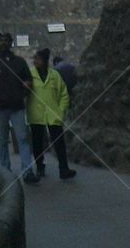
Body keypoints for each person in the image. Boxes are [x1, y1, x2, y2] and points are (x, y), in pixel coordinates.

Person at [0, 33, 40, 183]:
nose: (4, 43)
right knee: (3, 139)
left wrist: (23, 92)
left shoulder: (19, 62)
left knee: (23, 138)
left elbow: (28, 79)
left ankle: (27, 170)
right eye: (1, 41)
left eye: (6, 40)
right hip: (0, 107)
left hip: (17, 106)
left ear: (11, 43)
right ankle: (5, 170)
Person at [27, 48, 77, 179]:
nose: (35, 61)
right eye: (34, 58)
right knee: (38, 144)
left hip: (53, 114)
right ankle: (40, 167)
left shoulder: (55, 75)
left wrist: (61, 110)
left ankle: (64, 169)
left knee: (59, 142)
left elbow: (64, 94)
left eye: (37, 58)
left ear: (44, 60)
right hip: (36, 114)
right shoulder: (29, 75)